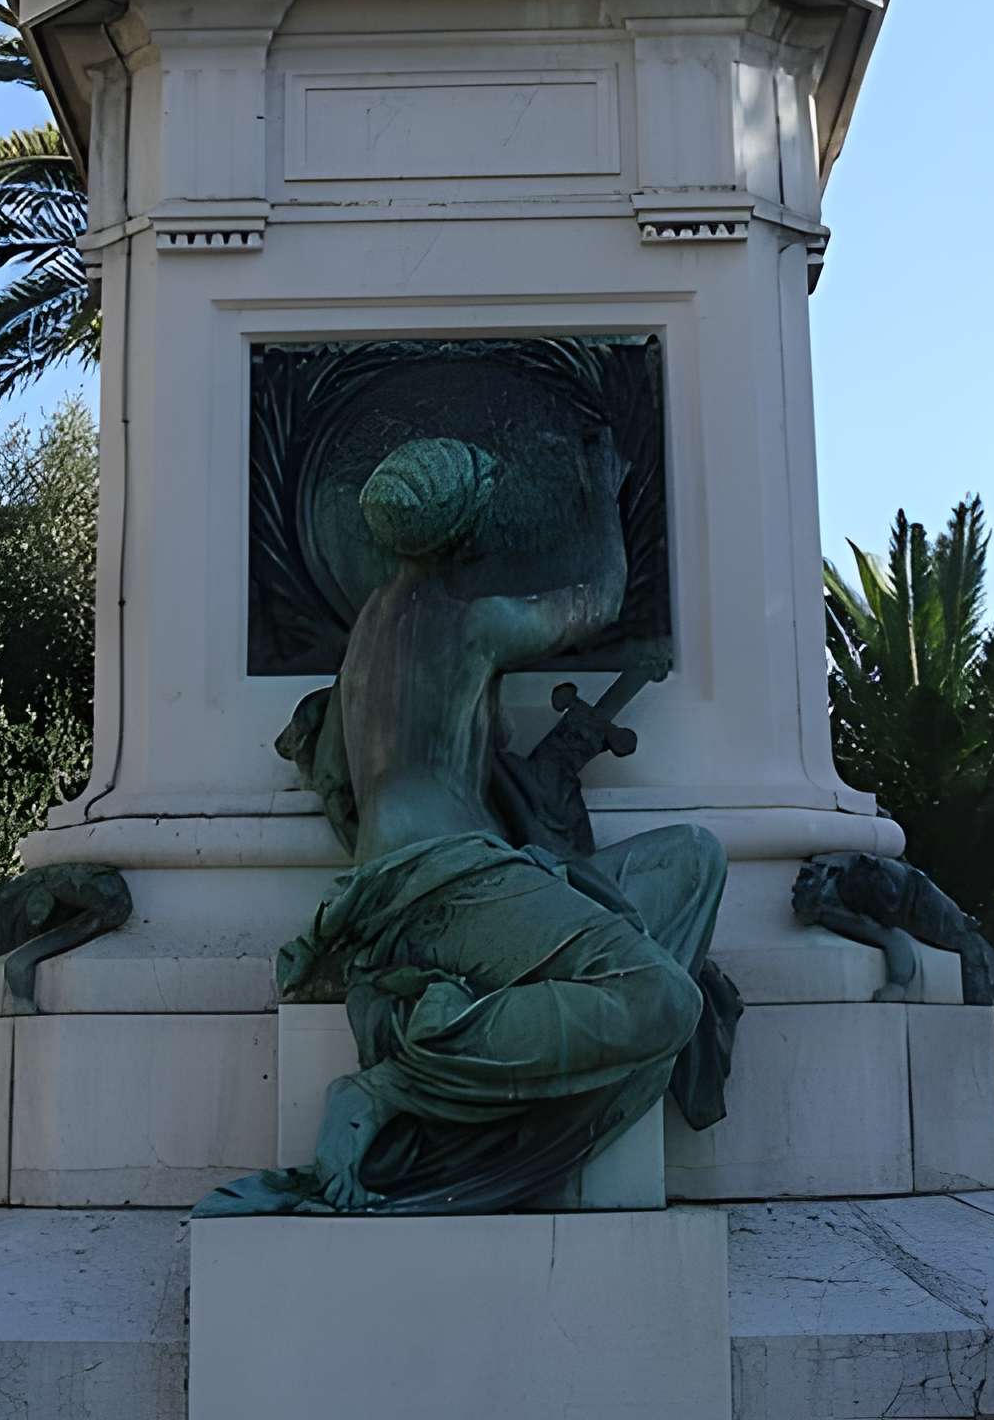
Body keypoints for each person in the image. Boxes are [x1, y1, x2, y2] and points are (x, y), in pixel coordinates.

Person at [199, 431, 733, 1215]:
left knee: (693, 858)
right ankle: (394, 1085)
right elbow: (603, 601)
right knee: (665, 998)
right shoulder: (473, 624)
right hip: (451, 881)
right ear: (468, 527)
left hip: (401, 881)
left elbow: (342, 785)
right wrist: (603, 489)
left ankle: (516, 1029)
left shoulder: (366, 640)